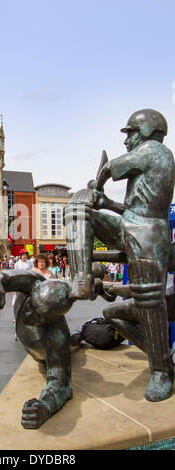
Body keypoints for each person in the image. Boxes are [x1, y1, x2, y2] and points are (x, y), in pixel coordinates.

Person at [65, 108, 175, 402]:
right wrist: (105, 203)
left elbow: (110, 168)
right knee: (77, 208)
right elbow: (134, 211)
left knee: (149, 302)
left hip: (149, 235)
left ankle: (162, 370)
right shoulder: (148, 161)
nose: (127, 141)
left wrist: (97, 183)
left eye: (130, 134)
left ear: (148, 132)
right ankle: (81, 279)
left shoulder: (156, 151)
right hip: (131, 224)